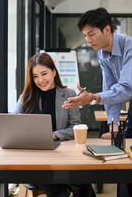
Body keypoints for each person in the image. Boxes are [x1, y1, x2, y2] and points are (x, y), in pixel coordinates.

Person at [62, 8, 132, 197]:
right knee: (125, 156)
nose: (88, 40)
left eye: (91, 34)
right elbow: (111, 87)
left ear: (107, 30)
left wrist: (93, 97)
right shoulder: (103, 54)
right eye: (85, 35)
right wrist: (112, 124)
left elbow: (125, 87)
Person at [13, 53, 95, 197]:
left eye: (44, 74)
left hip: (63, 158)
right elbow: (12, 122)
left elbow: (75, 127)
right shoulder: (27, 96)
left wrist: (55, 135)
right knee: (56, 190)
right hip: (35, 162)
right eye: (35, 76)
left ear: (54, 71)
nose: (40, 80)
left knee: (83, 186)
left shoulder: (69, 94)